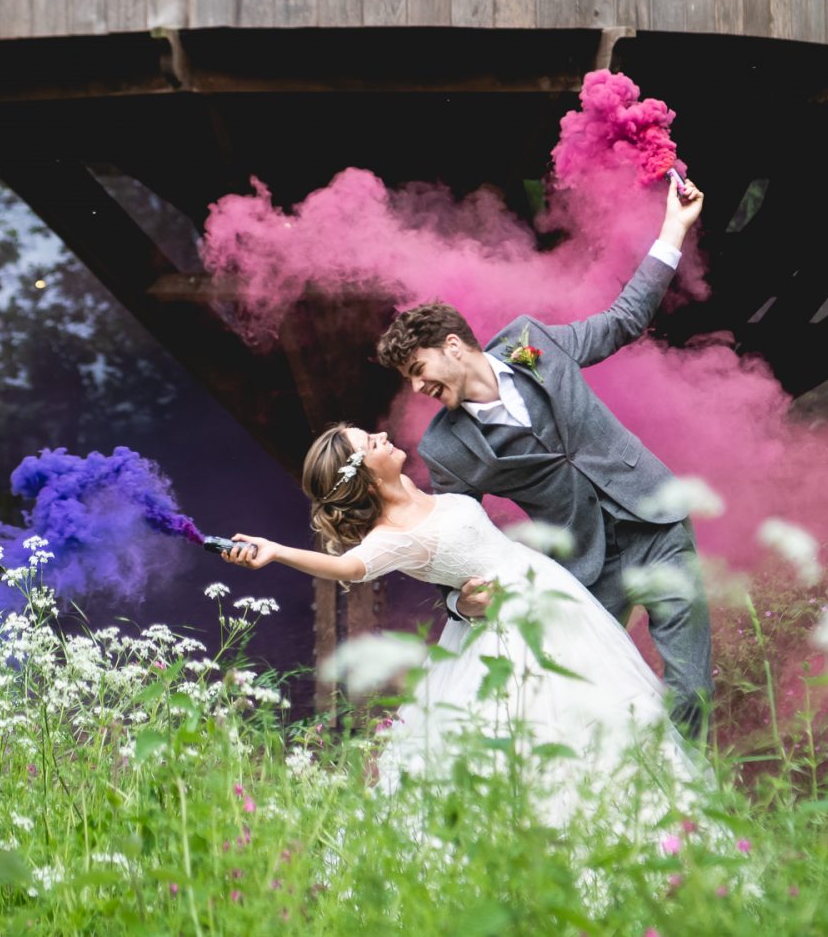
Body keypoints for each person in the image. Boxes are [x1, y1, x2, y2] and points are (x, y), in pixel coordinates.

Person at [222, 424, 707, 829]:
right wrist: (277, 551)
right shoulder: (391, 537)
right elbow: (351, 569)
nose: (382, 434)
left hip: (554, 598)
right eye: (371, 443)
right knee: (542, 731)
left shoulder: (411, 488)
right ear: (366, 480)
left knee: (614, 710)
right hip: (511, 629)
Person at [372, 177, 714, 740]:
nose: (417, 389)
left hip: (657, 520)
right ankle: (615, 810)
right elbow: (453, 534)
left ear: (453, 346)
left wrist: (673, 229)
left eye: (418, 371)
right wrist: (460, 602)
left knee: (691, 686)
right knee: (587, 696)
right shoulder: (445, 447)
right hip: (587, 567)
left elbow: (622, 321)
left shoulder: (534, 341)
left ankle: (688, 811)